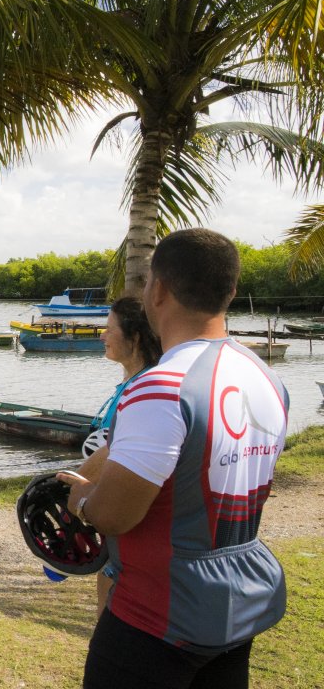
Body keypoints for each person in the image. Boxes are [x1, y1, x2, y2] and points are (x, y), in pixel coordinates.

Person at [62, 229, 289, 689]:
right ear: (228, 292)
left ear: (158, 289)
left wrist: (82, 499)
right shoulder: (266, 377)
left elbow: (114, 514)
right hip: (235, 611)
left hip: (155, 617)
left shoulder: (161, 385)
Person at [75, 297, 162, 614]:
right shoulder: (134, 383)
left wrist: (75, 485)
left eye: (109, 329)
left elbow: (116, 446)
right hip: (114, 501)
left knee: (114, 597)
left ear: (135, 337)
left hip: (126, 510)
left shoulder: (143, 388)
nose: (102, 335)